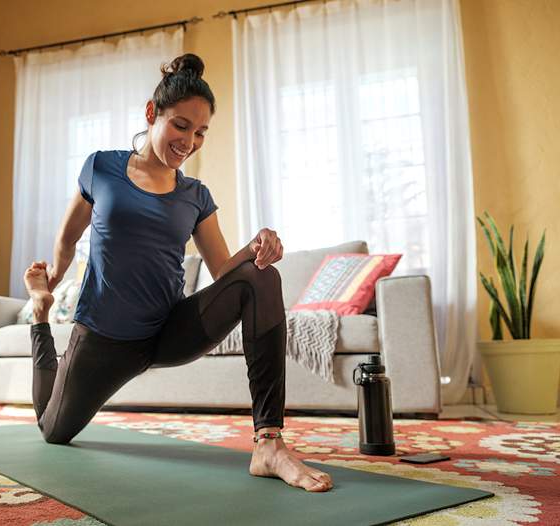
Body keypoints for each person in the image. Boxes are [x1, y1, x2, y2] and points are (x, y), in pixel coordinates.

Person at [23, 53, 333, 492]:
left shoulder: (196, 195)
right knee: (52, 429)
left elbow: (226, 270)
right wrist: (50, 280)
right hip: (103, 338)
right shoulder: (102, 168)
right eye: (181, 126)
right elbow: (69, 235)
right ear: (152, 114)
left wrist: (259, 242)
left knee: (261, 276)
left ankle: (268, 443)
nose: (190, 141)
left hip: (168, 330)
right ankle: (39, 316)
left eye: (201, 132)